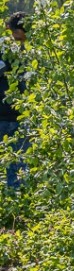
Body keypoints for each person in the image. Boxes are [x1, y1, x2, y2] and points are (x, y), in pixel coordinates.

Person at [0, 12, 29, 189]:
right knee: (14, 167)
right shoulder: (5, 50)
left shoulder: (33, 50)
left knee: (19, 166)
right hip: (5, 117)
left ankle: (19, 208)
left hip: (20, 117)